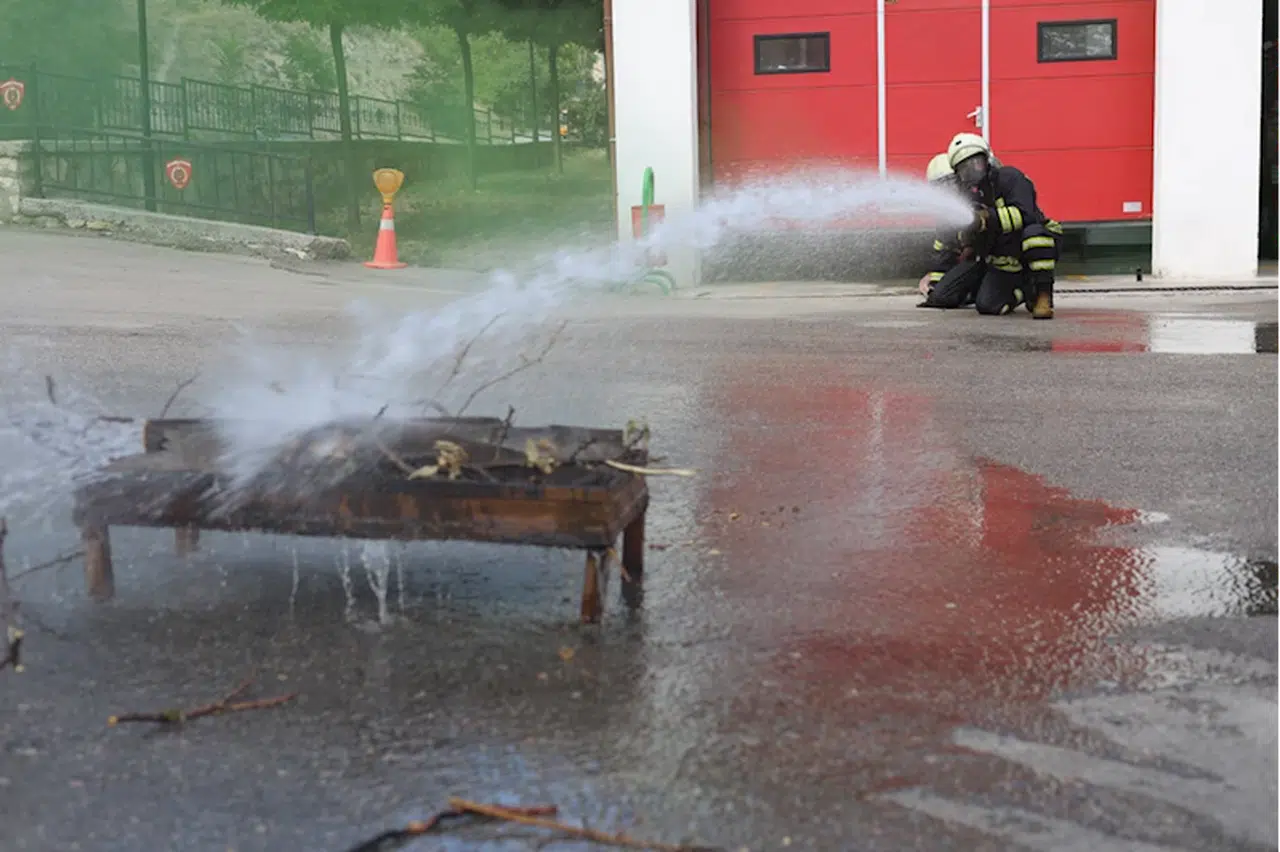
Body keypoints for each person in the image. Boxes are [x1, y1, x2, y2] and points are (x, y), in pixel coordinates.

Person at [935, 133, 1061, 319]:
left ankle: (1043, 296)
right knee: (987, 305)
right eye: (965, 169)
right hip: (1004, 257)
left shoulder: (1010, 178)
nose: (973, 171)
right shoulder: (969, 197)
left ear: (988, 160)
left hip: (1030, 243)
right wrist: (969, 236)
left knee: (1035, 235)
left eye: (977, 163)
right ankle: (1027, 291)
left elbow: (1027, 215)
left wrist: (987, 218)